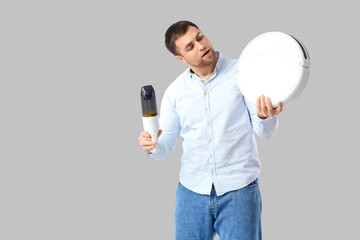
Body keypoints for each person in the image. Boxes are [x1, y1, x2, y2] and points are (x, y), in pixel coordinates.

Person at [138, 20, 282, 240]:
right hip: (191, 194)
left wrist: (264, 116)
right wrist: (151, 146)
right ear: (180, 58)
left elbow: (266, 132)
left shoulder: (243, 74)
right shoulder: (175, 92)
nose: (201, 46)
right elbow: (164, 145)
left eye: (199, 37)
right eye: (190, 47)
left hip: (239, 191)